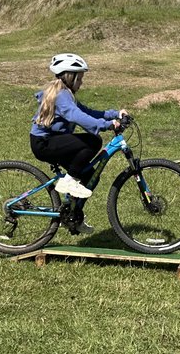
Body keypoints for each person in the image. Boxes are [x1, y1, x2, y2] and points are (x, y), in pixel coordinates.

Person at [30, 53, 127, 231]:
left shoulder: (66, 94)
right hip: (44, 143)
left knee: (90, 176)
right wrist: (105, 126)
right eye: (80, 78)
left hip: (54, 141)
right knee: (92, 141)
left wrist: (114, 114)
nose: (81, 82)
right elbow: (77, 116)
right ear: (70, 76)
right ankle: (68, 181)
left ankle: (73, 216)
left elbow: (87, 111)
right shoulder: (61, 96)